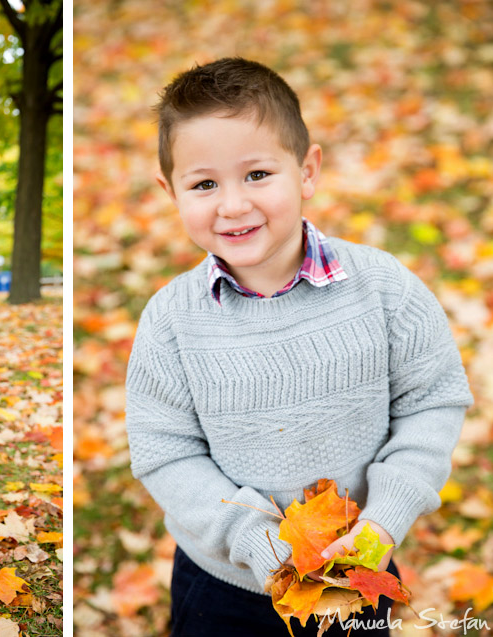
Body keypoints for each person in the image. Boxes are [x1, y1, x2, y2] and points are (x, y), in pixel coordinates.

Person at [124, 58, 473, 636]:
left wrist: (383, 522)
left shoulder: (383, 289)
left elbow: (430, 403)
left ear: (307, 171)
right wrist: (253, 540)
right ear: (171, 192)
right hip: (223, 584)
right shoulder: (170, 321)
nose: (233, 204)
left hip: (357, 565)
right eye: (205, 184)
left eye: (258, 174)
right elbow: (165, 452)